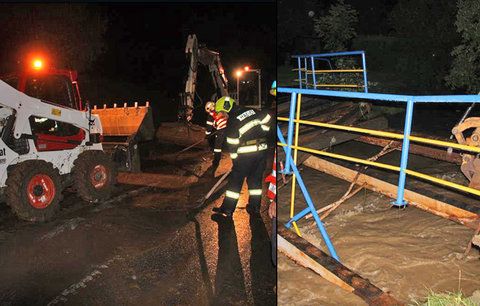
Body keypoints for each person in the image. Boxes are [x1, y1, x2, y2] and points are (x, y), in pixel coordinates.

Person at [212, 95, 272, 217]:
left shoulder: (233, 121)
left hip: (246, 154)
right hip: (262, 151)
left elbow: (232, 144)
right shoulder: (251, 110)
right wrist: (263, 131)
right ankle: (254, 208)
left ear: (226, 109)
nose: (222, 116)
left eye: (222, 113)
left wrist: (235, 161)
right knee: (255, 181)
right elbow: (267, 116)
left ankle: (227, 210)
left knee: (235, 182)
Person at [204, 101, 228, 176]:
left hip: (221, 131)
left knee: (217, 148)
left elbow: (209, 128)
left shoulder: (211, 115)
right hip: (228, 129)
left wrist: (207, 135)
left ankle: (215, 163)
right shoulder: (221, 111)